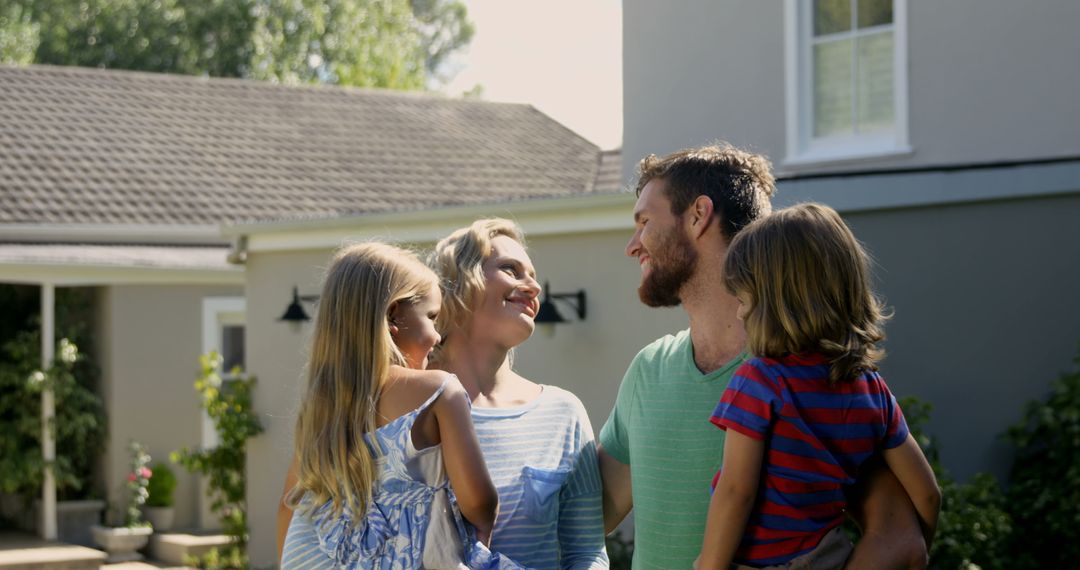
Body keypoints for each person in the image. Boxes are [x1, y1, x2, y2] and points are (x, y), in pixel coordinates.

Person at [598, 144, 931, 569]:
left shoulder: (809, 373)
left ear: (699, 215)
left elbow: (900, 539)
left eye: (644, 221)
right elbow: (590, 507)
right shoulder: (650, 368)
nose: (632, 245)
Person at [697, 203, 941, 569]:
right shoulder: (872, 389)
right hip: (830, 558)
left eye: (746, 299)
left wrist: (709, 566)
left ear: (779, 302)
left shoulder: (760, 381)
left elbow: (736, 491)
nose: (740, 313)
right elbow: (928, 495)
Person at [277, 242, 515, 569]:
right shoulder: (438, 391)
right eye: (432, 317)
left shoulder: (320, 413)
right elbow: (479, 503)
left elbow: (287, 509)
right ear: (393, 316)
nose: (437, 336)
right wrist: (482, 530)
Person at [430, 218, 609, 569]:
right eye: (510, 270)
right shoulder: (403, 403)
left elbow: (586, 551)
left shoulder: (562, 412)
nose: (533, 287)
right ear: (456, 284)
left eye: (532, 275)